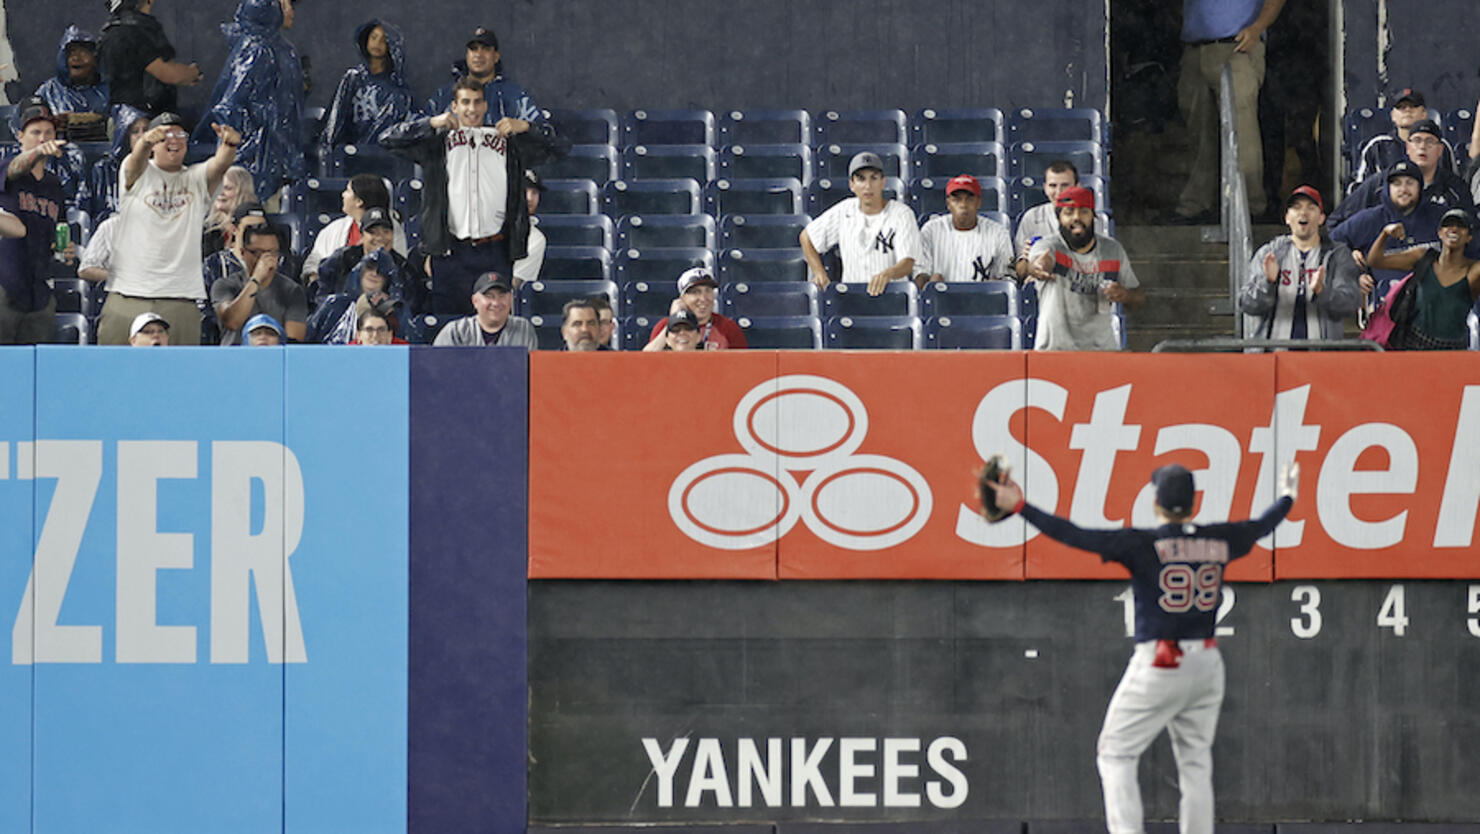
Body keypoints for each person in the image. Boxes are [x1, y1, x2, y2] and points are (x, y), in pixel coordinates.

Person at [984, 460, 1299, 834]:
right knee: (1196, 763)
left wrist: (1021, 507)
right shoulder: (1222, 539)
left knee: (1115, 752)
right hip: (1207, 664)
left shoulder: (1141, 545)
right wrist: (1288, 497)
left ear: (1156, 503)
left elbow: (1074, 535)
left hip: (1161, 664)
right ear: (1194, 503)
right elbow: (1264, 524)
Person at [382, 76, 564, 316]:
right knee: (447, 323)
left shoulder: (509, 142)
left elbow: (560, 146)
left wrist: (527, 127)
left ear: (486, 106)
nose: (472, 108)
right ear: (454, 106)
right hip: (450, 250)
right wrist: (430, 122)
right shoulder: (437, 141)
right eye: (465, 102)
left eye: (478, 102)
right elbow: (388, 139)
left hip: (495, 249)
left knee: (494, 322)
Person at [97, 112, 241, 346]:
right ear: (153, 143)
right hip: (128, 294)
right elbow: (136, 161)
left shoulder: (195, 177)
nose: (173, 140)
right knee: (114, 371)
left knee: (180, 376)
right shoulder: (136, 171)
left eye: (179, 134)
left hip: (180, 297)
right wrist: (144, 142)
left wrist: (229, 144)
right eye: (164, 135)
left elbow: (220, 164)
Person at [1173, 0, 1286, 223]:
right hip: (1195, 48)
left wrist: (1256, 29)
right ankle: (1196, 205)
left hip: (1236, 46)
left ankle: (1250, 208)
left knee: (1242, 132)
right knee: (1199, 133)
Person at [192, 0, 306, 204]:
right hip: (252, 163)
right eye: (285, 4)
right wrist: (239, 151)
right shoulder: (257, 50)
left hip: (276, 160)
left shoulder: (282, 49)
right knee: (245, 219)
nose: (290, 11)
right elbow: (231, 106)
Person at [1025, 186, 1145, 350]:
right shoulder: (1048, 246)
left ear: (1093, 216)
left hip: (1101, 352)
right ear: (1059, 217)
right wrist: (1037, 267)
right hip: (1054, 351)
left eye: (1084, 211)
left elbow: (1139, 298)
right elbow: (1035, 264)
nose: (1077, 217)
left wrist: (1125, 295)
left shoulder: (1113, 250)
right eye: (1069, 212)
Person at [1239, 186, 1362, 343]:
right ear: (1287, 218)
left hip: (1320, 357)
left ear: (1321, 218)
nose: (1303, 213)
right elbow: (1247, 304)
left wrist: (1322, 292)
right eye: (1296, 208)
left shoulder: (1338, 255)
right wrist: (1267, 283)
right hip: (1274, 357)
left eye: (1311, 208)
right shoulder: (1269, 253)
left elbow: (1350, 304)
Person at [0, 100, 75, 344]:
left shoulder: (54, 184)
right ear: (20, 136)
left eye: (48, 132)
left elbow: (58, 232)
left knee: (35, 366)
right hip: (5, 285)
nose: (43, 138)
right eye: (35, 132)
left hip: (40, 292)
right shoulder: (7, 166)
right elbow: (15, 168)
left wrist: (65, 249)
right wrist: (38, 153)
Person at [801, 151, 921, 294]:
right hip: (852, 297)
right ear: (852, 185)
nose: (868, 186)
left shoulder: (902, 213)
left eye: (874, 178)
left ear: (883, 182)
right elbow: (806, 237)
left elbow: (908, 263)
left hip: (892, 296)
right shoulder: (844, 210)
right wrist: (819, 272)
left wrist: (888, 274)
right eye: (861, 179)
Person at [1329, 160, 1446, 301]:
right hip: (1385, 306)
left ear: (1420, 187)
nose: (1403, 189)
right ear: (1387, 187)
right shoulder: (1369, 219)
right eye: (1396, 184)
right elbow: (1330, 244)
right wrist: (1352, 271)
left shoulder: (1441, 217)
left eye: (1409, 183)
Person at [1365, 210, 1480, 350]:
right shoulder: (1423, 258)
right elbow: (1375, 261)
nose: (1454, 229)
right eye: (1448, 225)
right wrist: (1385, 234)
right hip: (1414, 344)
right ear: (1439, 233)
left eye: (1461, 226)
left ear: (1469, 237)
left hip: (1452, 349)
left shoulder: (1474, 270)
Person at [1328, 120, 1474, 229]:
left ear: (1440, 150)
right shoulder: (1380, 182)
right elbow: (1337, 222)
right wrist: (1352, 252)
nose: (1422, 146)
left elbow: (1473, 231)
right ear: (1408, 148)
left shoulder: (1455, 189)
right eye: (1417, 141)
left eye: (1430, 142)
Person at [425, 26, 546, 128]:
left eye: (486, 49)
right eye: (473, 49)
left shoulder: (514, 95)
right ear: (467, 55)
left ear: (496, 56)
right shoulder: (444, 95)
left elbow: (547, 132)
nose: (478, 54)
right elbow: (409, 131)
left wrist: (526, 127)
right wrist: (430, 123)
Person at [97, 0, 204, 114]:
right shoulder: (133, 33)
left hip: (123, 115)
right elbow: (168, 74)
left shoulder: (111, 32)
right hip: (142, 118)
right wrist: (193, 73)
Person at [300, 173, 407, 285]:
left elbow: (397, 271)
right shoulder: (335, 228)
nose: (343, 194)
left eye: (348, 191)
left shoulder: (393, 230)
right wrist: (315, 279)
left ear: (359, 201)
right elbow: (315, 258)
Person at [323, 19, 416, 148]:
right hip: (349, 155)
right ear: (365, 40)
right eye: (374, 37)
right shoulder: (353, 78)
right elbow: (335, 119)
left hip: (382, 159)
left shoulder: (398, 93)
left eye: (384, 40)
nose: (377, 43)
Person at [211, 218, 305, 345]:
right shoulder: (224, 285)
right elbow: (232, 322)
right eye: (257, 252)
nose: (265, 259)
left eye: (272, 252)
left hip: (274, 360)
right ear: (243, 253)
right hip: (233, 359)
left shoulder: (292, 290)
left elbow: (294, 340)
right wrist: (256, 279)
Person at [915, 174, 1015, 286]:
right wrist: (929, 283)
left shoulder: (998, 232)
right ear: (948, 204)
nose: (963, 205)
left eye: (969, 199)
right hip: (940, 300)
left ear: (978, 202)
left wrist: (996, 285)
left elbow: (1009, 277)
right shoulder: (931, 230)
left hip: (983, 300)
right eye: (956, 199)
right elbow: (919, 273)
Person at [312, 205, 421, 307]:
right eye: (373, 232)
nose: (380, 237)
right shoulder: (342, 259)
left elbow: (409, 309)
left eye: (386, 231)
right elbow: (322, 299)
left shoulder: (404, 268)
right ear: (362, 236)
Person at [1014, 160, 1108, 275]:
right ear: (1045, 188)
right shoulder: (1031, 217)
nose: (1059, 192)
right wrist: (1026, 259)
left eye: (1065, 185)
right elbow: (1019, 273)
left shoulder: (1092, 218)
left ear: (1077, 187)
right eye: (1053, 186)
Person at [1352, 88, 1455, 189]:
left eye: (1413, 106)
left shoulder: (1440, 146)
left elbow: (1454, 185)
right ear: (1393, 115)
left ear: (1424, 113)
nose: (1407, 110)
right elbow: (1360, 191)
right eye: (1401, 107)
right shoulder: (1377, 146)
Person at [306, 248, 407, 344]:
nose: (374, 274)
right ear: (360, 272)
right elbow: (306, 340)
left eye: (381, 272)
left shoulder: (397, 309)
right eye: (370, 268)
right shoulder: (335, 304)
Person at [33, 26, 110, 142]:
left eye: (84, 52)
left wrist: (102, 120)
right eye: (71, 52)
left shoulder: (110, 89)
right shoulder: (48, 90)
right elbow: (28, 128)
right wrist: (52, 123)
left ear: (96, 58)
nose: (76, 58)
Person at [645, 266, 747, 350]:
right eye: (695, 292)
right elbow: (647, 362)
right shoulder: (664, 325)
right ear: (683, 298)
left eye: (708, 291)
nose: (703, 298)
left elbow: (744, 365)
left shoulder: (728, 328)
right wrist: (673, 321)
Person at [431, 270, 538, 347]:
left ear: (511, 299)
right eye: (489, 296)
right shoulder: (456, 331)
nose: (496, 303)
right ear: (475, 301)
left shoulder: (523, 329)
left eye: (502, 296)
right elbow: (438, 371)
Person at [87, 107, 150, 220]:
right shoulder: (105, 169)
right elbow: (100, 212)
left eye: (145, 130)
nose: (141, 136)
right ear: (125, 136)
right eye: (135, 131)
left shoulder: (158, 167)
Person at [202, 166, 258, 257]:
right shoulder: (207, 228)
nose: (220, 193)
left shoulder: (257, 226)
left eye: (227, 188)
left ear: (243, 192)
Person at [512, 169, 547, 287]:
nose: (529, 198)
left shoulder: (535, 239)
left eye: (535, 192)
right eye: (524, 191)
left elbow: (515, 285)